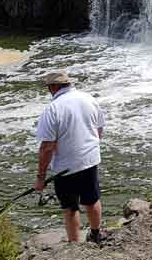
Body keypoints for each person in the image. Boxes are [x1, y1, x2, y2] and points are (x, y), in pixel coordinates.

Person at [34, 72, 106, 244]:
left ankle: (75, 246)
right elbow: (99, 130)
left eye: (48, 87)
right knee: (92, 199)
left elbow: (46, 148)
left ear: (53, 87)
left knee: (70, 208)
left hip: (66, 167)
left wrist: (40, 178)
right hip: (90, 160)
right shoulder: (89, 98)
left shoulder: (53, 108)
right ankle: (96, 234)